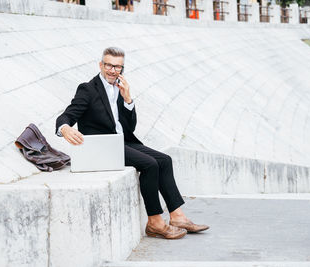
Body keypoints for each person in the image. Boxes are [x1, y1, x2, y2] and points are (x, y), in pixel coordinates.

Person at [55, 47, 209, 239]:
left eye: (118, 67)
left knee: (165, 160)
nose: (113, 70)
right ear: (101, 65)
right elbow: (67, 115)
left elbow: (131, 127)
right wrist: (65, 128)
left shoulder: (121, 88)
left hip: (125, 141)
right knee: (150, 165)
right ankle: (155, 222)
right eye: (109, 65)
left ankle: (177, 216)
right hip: (104, 146)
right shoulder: (87, 89)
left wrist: (128, 99)